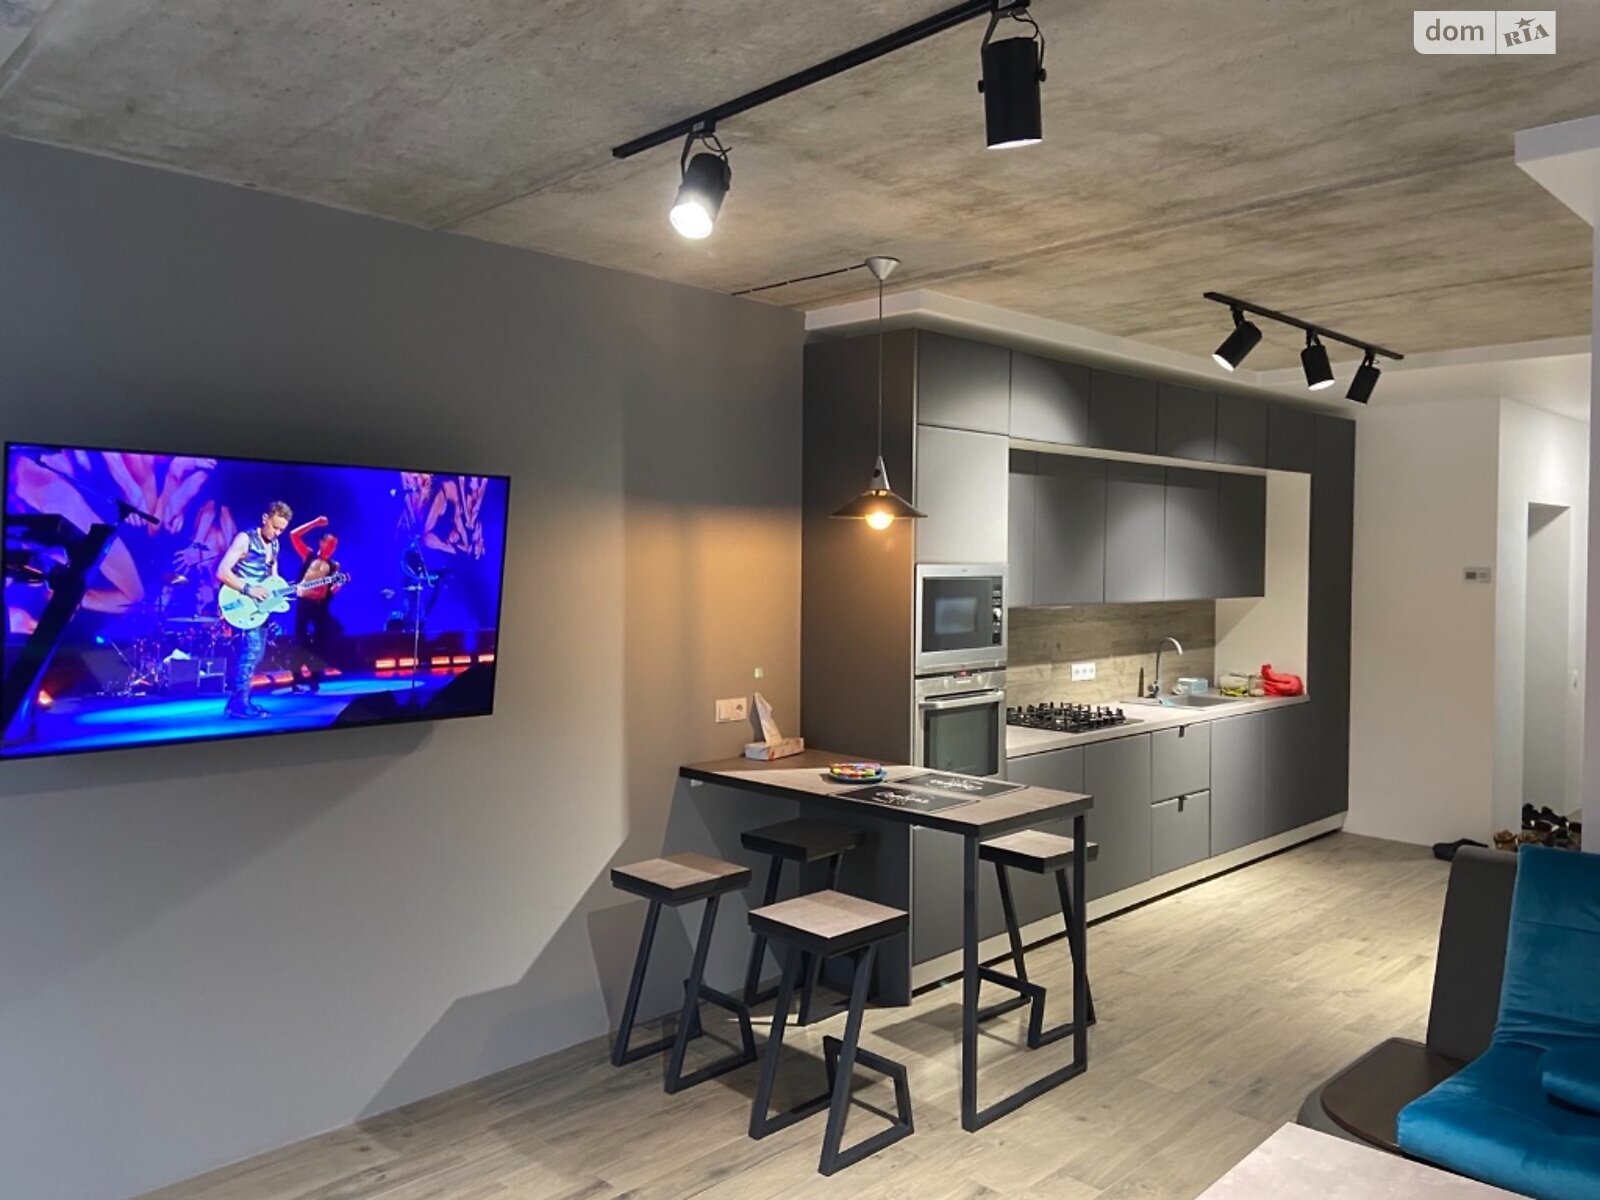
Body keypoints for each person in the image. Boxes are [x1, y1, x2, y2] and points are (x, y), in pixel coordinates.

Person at [216, 501, 291, 718]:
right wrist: (249, 589)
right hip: (242, 602)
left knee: (256, 654)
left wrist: (283, 592)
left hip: (260, 608)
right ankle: (239, 704)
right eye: (275, 527)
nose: (277, 533)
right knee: (250, 652)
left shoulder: (275, 545)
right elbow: (222, 571)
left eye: (281, 530)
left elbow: (273, 578)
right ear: (265, 518)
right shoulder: (245, 538)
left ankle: (239, 701)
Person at [286, 515, 344, 693]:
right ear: (322, 543)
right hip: (304, 605)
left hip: (320, 607)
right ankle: (296, 680)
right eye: (330, 543)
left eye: (335, 545)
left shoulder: (334, 566)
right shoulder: (308, 556)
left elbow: (333, 587)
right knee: (300, 642)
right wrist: (316, 523)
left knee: (322, 642)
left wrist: (336, 588)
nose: (332, 548)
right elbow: (293, 535)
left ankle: (315, 679)